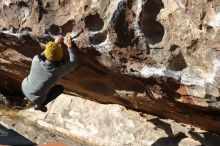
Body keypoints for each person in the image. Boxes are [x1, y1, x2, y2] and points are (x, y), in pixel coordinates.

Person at [21, 34, 77, 112]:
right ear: (60, 56)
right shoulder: (57, 71)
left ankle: (38, 100)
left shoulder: (36, 59)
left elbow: (47, 53)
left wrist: (55, 43)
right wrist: (69, 46)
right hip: (36, 98)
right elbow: (74, 62)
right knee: (60, 88)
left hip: (24, 87)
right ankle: (40, 105)